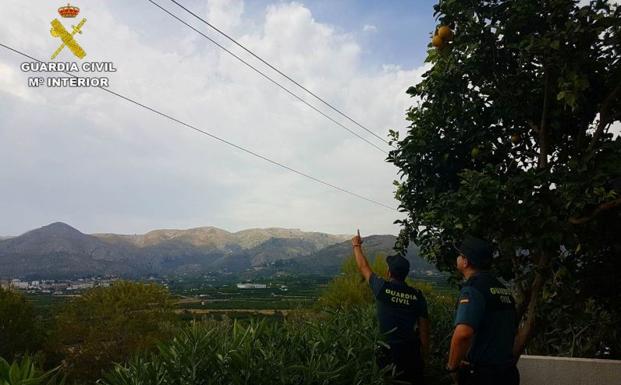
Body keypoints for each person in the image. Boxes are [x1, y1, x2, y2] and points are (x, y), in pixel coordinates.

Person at [352, 230, 430, 384]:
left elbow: (363, 267)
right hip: (411, 354)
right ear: (406, 274)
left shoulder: (382, 288)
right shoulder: (417, 295)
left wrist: (356, 245)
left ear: (389, 272)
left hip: (387, 353)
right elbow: (424, 330)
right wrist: (424, 355)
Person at [446, 235, 520, 385]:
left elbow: (463, 334)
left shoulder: (473, 289)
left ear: (466, 262)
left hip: (484, 375)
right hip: (507, 372)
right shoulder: (502, 288)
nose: (458, 258)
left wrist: (452, 367)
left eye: (460, 255)